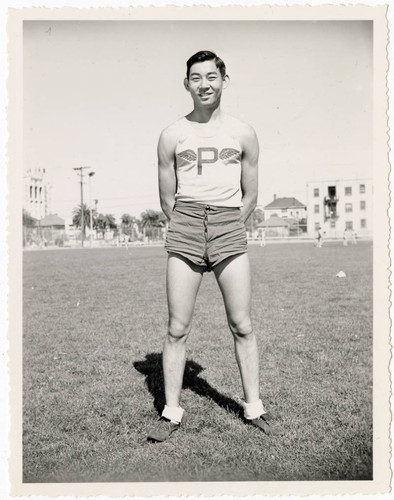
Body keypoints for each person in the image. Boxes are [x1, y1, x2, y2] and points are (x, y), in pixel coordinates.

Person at [147, 50, 272, 443]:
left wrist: (228, 224)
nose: (204, 84)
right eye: (196, 78)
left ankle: (253, 408)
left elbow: (250, 194)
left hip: (228, 224)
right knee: (177, 327)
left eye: (211, 77)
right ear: (186, 84)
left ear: (224, 80)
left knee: (242, 324)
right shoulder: (172, 134)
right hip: (185, 224)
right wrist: (188, 224)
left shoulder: (243, 133)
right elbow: (168, 199)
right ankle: (171, 412)